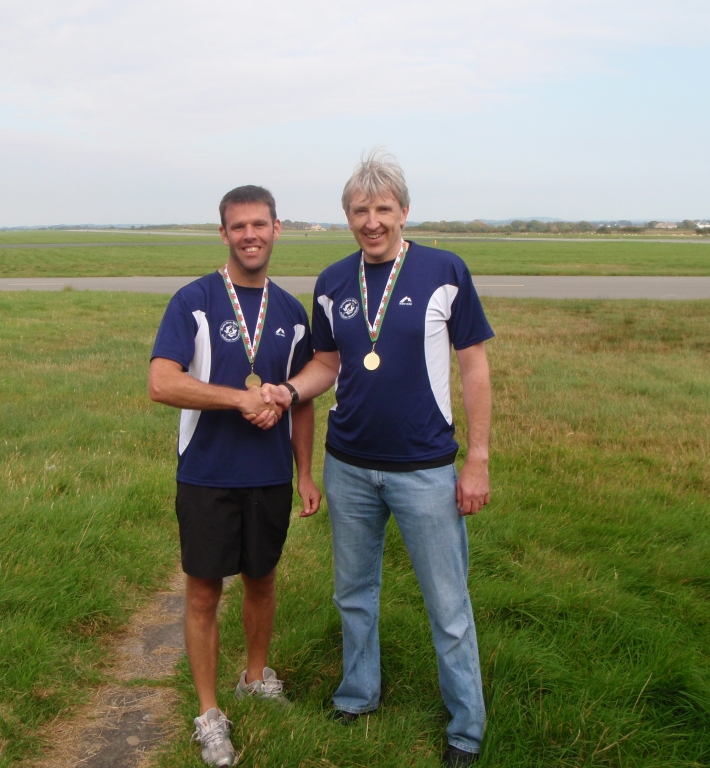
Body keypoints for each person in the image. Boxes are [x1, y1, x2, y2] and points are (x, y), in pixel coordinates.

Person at [261, 152, 493, 767]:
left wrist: (478, 459)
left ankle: (466, 728)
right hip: (351, 466)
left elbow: (474, 366)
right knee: (353, 592)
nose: (372, 221)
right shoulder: (333, 282)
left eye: (383, 209)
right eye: (360, 210)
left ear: (404, 212)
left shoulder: (445, 270)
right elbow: (329, 365)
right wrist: (288, 392)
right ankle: (358, 695)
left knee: (448, 605)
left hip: (426, 469)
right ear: (347, 217)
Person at [148, 185, 321, 767]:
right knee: (203, 592)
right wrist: (238, 400)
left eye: (261, 224)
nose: (250, 234)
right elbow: (161, 382)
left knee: (263, 580)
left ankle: (253, 678)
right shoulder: (194, 301)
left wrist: (305, 473)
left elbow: (302, 400)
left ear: (277, 229)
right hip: (206, 474)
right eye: (238, 225)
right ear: (223, 233)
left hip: (269, 475)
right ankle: (208, 714)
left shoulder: (292, 312)